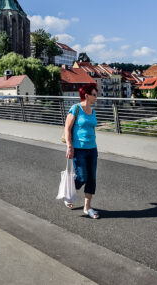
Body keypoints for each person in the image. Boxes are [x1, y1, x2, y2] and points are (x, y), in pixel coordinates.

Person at [64, 83, 100, 219]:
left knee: (91, 179)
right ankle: (68, 194)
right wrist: (69, 146)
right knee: (82, 177)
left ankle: (87, 207)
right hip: (79, 150)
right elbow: (67, 128)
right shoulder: (75, 109)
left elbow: (91, 129)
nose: (96, 97)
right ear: (86, 95)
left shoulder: (93, 111)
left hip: (92, 149)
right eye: (94, 94)